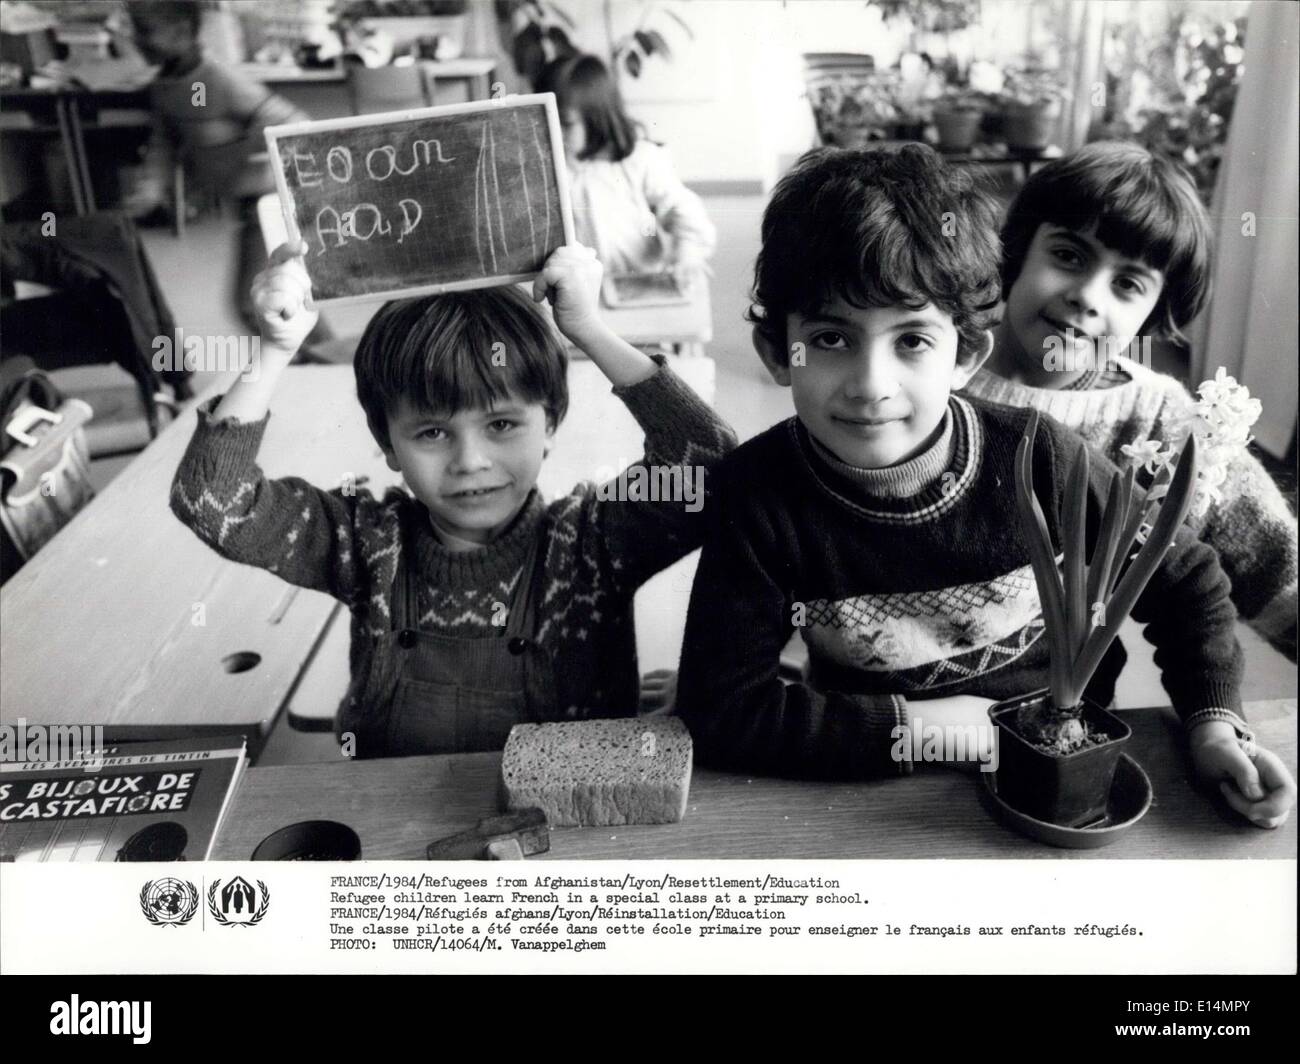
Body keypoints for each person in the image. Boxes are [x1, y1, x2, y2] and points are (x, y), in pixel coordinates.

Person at [676, 144, 1294, 829]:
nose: (871, 384)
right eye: (830, 339)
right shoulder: (756, 494)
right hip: (872, 789)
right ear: (774, 354)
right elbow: (722, 707)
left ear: (966, 354)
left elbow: (1187, 584)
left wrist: (1214, 724)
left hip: (1061, 782)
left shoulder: (1041, 455)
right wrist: (922, 729)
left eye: (911, 341)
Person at [169, 242, 735, 757]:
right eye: (432, 433)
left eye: (503, 424)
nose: (470, 461)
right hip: (392, 816)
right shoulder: (365, 544)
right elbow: (210, 498)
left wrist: (589, 330)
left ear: (552, 423)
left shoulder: (591, 545)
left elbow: (709, 460)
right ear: (387, 444)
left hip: (567, 825)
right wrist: (273, 352)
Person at [962, 141, 1296, 661]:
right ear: (1020, 248)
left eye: (1127, 285)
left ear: (1154, 313)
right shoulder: (927, 371)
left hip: (1071, 720)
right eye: (1069, 255)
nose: (1088, 297)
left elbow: (1278, 572)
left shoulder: (1159, 421)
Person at [124, 1, 328, 340]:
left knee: (256, 302)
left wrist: (248, 148)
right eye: (136, 30)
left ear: (183, 32)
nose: (138, 41)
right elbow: (165, 141)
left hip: (268, 199)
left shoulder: (219, 79)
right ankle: (322, 358)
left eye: (147, 31)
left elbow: (293, 123)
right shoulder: (163, 86)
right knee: (284, 296)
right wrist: (150, 187)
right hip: (245, 204)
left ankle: (321, 361)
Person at [536, 54, 715, 283]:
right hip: (577, 291)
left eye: (566, 123)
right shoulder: (545, 169)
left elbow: (682, 208)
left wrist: (688, 252)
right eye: (542, 120)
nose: (552, 131)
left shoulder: (639, 159)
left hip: (639, 282)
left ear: (597, 118)